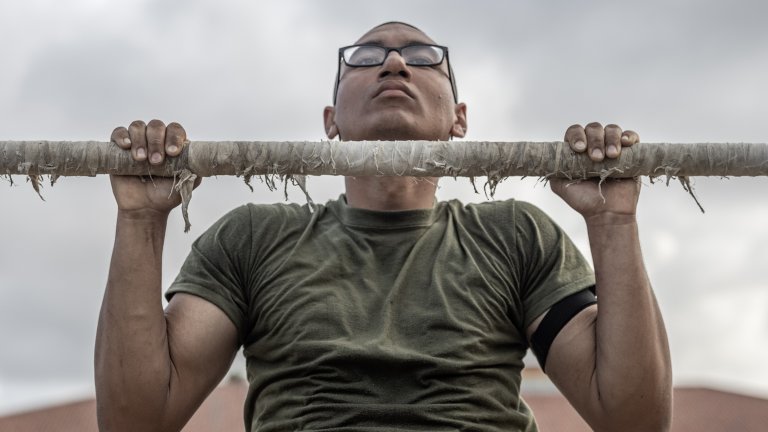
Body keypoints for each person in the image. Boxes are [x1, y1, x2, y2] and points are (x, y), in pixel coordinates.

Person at [95, 21, 672, 432]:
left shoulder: (516, 235)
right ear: (331, 121)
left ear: (459, 120)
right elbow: (136, 421)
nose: (395, 63)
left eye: (423, 58)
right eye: (366, 57)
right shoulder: (251, 238)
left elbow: (634, 420)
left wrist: (613, 222)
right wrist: (141, 219)